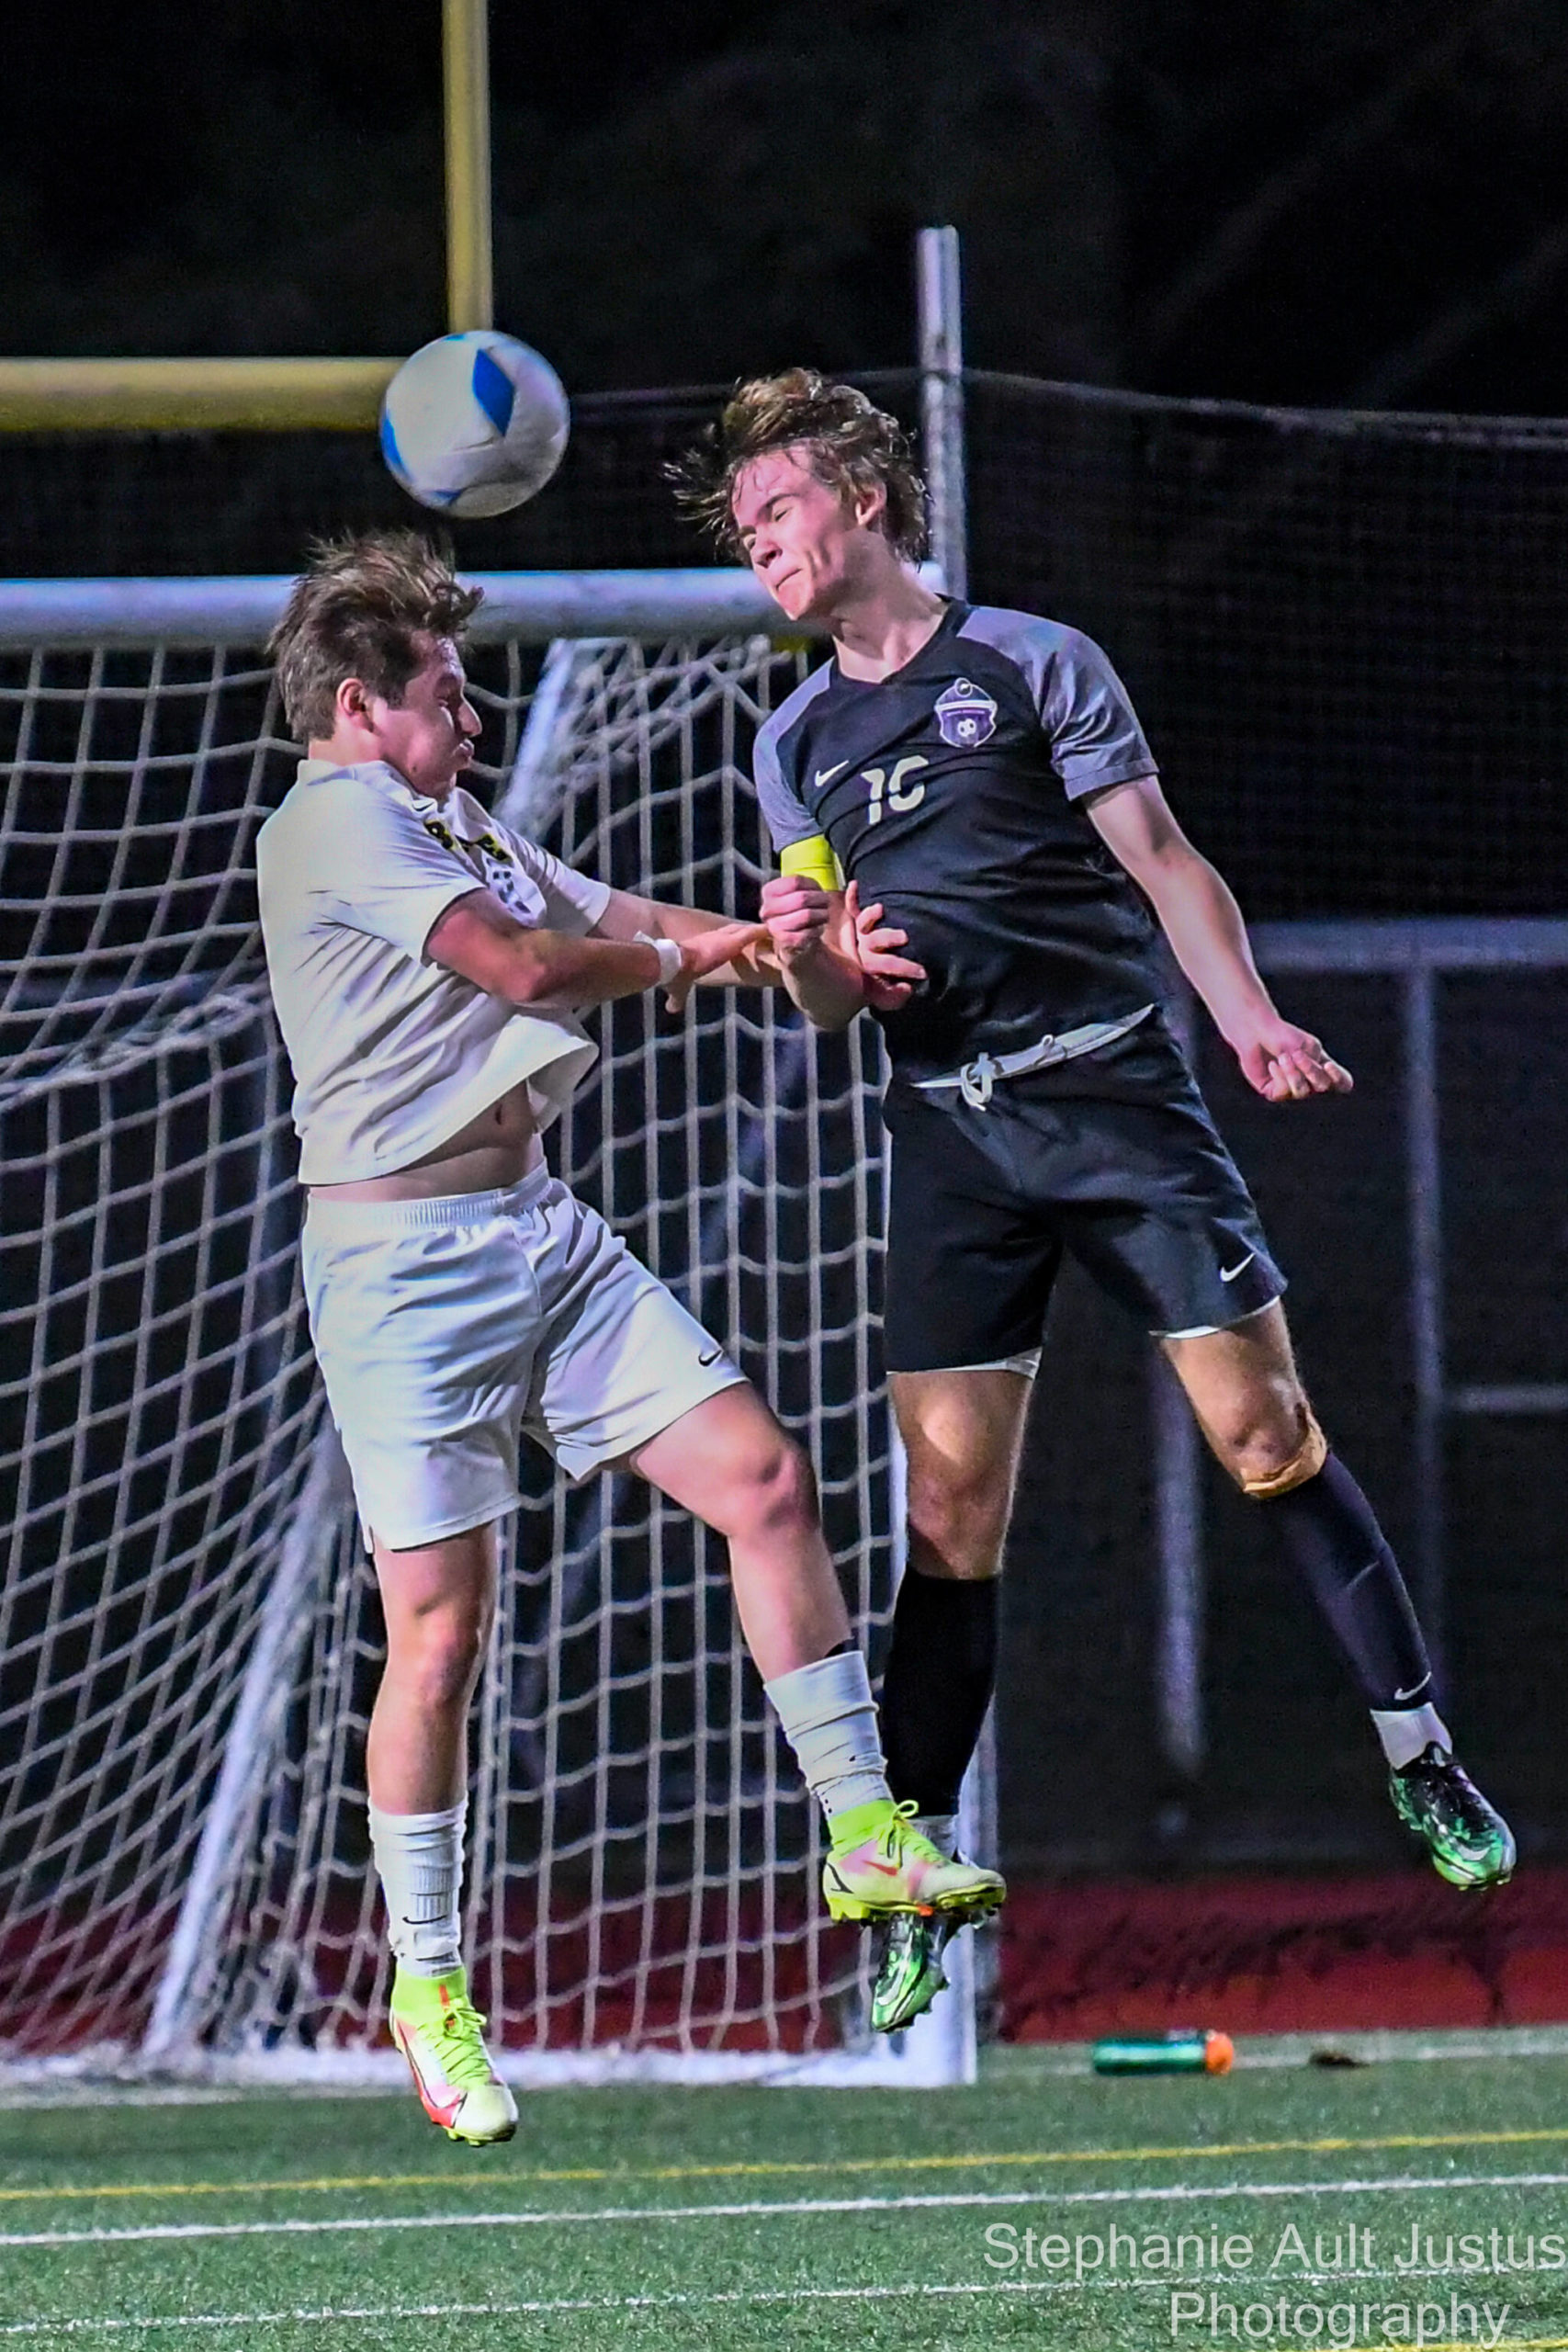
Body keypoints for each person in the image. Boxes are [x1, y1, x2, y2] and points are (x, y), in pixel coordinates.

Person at [671, 370, 1516, 2038]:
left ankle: (1420, 1754)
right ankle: (903, 1866)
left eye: (777, 508)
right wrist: (820, 961)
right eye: (744, 527)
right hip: (955, 1141)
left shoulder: (1032, 661)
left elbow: (1165, 861)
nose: (758, 542)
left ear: (863, 498)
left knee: (1266, 1437)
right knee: (948, 1519)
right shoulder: (792, 744)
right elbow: (824, 997)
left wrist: (1251, 1018)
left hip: (1117, 1097)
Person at [256, 530, 1001, 2142]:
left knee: (767, 1483)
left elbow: (595, 906)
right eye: (447, 692)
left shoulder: (445, 815)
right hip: (403, 1273)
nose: (473, 714)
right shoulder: (334, 830)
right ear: (366, 704)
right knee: (441, 1642)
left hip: (546, 1234)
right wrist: (685, 962)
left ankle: (865, 1828)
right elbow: (529, 966)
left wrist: (771, 945)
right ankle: (431, 1988)